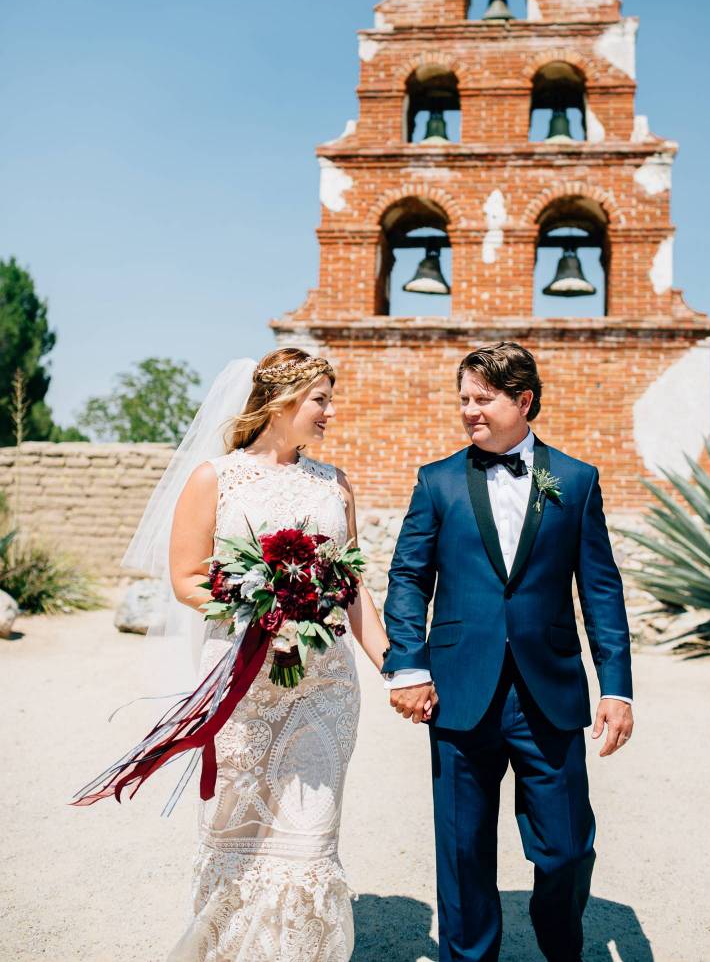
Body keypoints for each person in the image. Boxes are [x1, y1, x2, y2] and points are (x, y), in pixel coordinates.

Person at [382, 340, 633, 962]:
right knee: (462, 850)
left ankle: (560, 947)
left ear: (523, 401)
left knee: (566, 848)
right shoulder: (436, 482)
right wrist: (408, 665)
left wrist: (617, 687)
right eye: (463, 398)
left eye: (483, 398)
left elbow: (600, 588)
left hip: (549, 693)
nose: (469, 410)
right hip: (457, 692)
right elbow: (408, 578)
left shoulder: (575, 480)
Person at [162, 348, 390, 961]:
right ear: (282, 401)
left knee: (309, 836)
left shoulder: (334, 484)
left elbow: (352, 587)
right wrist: (261, 604)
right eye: (321, 400)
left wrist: (398, 668)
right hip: (241, 682)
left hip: (325, 685)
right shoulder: (217, 478)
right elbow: (186, 576)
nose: (330, 413)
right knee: (237, 830)